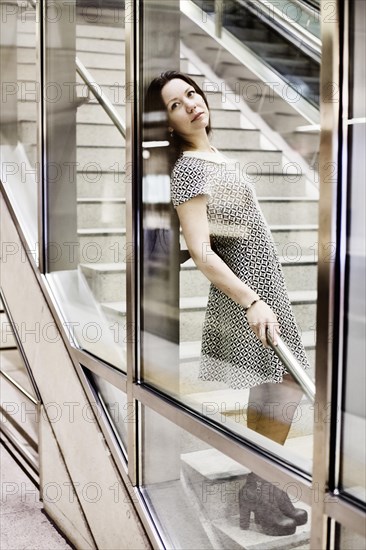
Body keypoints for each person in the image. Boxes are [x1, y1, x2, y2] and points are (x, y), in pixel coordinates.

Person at [146, 71, 309, 536]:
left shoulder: (215, 156)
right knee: (284, 385)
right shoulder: (189, 169)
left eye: (192, 94)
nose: (191, 104)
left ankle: (264, 489)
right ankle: (258, 491)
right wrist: (250, 299)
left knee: (274, 388)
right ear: (169, 123)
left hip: (265, 281)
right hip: (248, 288)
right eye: (177, 104)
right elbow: (201, 250)